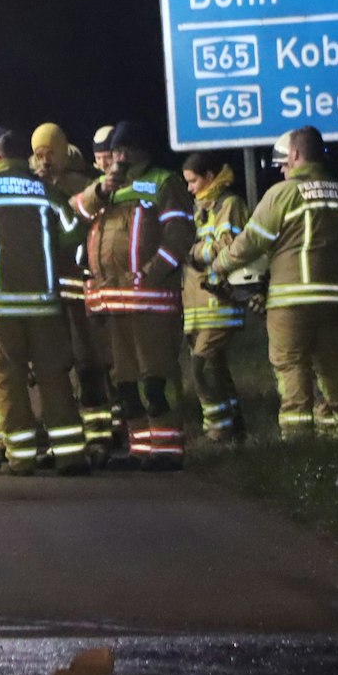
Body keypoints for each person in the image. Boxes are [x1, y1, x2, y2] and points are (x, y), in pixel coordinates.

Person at [210, 126, 338, 440]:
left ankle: (297, 443)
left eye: (283, 164)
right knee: (336, 369)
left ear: (295, 155)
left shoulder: (284, 193)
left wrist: (219, 264)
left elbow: (253, 241)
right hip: (336, 300)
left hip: (292, 302)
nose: (281, 170)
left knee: (291, 365)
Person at [70, 120, 195, 471]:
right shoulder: (106, 187)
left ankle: (167, 446)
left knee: (155, 378)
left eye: (125, 151)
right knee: (125, 383)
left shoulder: (162, 182)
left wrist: (151, 273)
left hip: (149, 299)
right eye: (116, 151)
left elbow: (180, 236)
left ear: (141, 150)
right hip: (113, 299)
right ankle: (141, 447)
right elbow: (72, 215)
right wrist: (101, 189)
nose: (119, 157)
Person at [0, 131, 90, 475]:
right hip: (42, 303)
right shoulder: (44, 190)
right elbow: (74, 230)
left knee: (8, 382)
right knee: (54, 377)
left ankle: (21, 458)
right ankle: (69, 454)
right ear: (29, 159)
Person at [32, 123, 115, 463]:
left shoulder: (81, 188)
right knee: (51, 370)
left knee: (89, 363)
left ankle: (99, 436)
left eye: (50, 153)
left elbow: (78, 231)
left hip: (80, 292)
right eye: (38, 154)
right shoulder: (31, 188)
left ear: (63, 151)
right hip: (46, 295)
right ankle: (62, 437)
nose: (44, 160)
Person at [179, 152, 250, 443]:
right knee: (217, 369)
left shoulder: (229, 204)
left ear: (209, 176)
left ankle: (217, 429)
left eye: (193, 181)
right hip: (197, 306)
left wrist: (193, 251)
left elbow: (228, 246)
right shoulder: (196, 208)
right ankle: (235, 426)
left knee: (201, 367)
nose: (189, 188)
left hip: (219, 303)